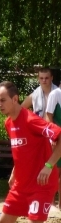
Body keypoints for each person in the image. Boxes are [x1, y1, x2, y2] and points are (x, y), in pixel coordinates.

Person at [0, 81, 61, 223]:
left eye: (3, 100)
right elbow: (22, 149)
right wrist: (15, 170)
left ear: (15, 99)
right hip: (21, 185)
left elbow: (59, 136)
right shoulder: (8, 123)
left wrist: (49, 165)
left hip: (41, 184)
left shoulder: (31, 120)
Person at [42, 68, 61, 206]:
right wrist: (53, 137)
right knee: (55, 172)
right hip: (58, 138)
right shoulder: (56, 94)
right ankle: (50, 201)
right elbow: (48, 117)